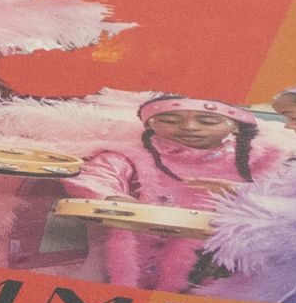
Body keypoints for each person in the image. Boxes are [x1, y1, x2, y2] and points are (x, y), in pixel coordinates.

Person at [67, 96, 280, 291]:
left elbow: (289, 198)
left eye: (207, 122)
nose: (189, 127)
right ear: (150, 123)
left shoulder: (264, 161)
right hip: (136, 257)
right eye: (169, 120)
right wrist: (117, 200)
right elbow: (96, 178)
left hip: (222, 265)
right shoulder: (131, 155)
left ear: (235, 126)